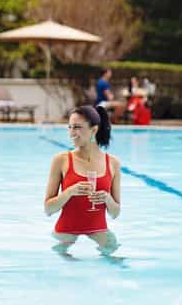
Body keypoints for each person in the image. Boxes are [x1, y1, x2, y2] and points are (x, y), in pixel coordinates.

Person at [44, 105, 121, 256]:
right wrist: (69, 192)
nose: (72, 133)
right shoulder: (61, 160)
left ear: (94, 130)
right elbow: (48, 210)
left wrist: (107, 198)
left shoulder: (113, 163)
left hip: (100, 232)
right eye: (70, 127)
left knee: (117, 262)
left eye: (77, 127)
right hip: (65, 234)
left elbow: (115, 213)